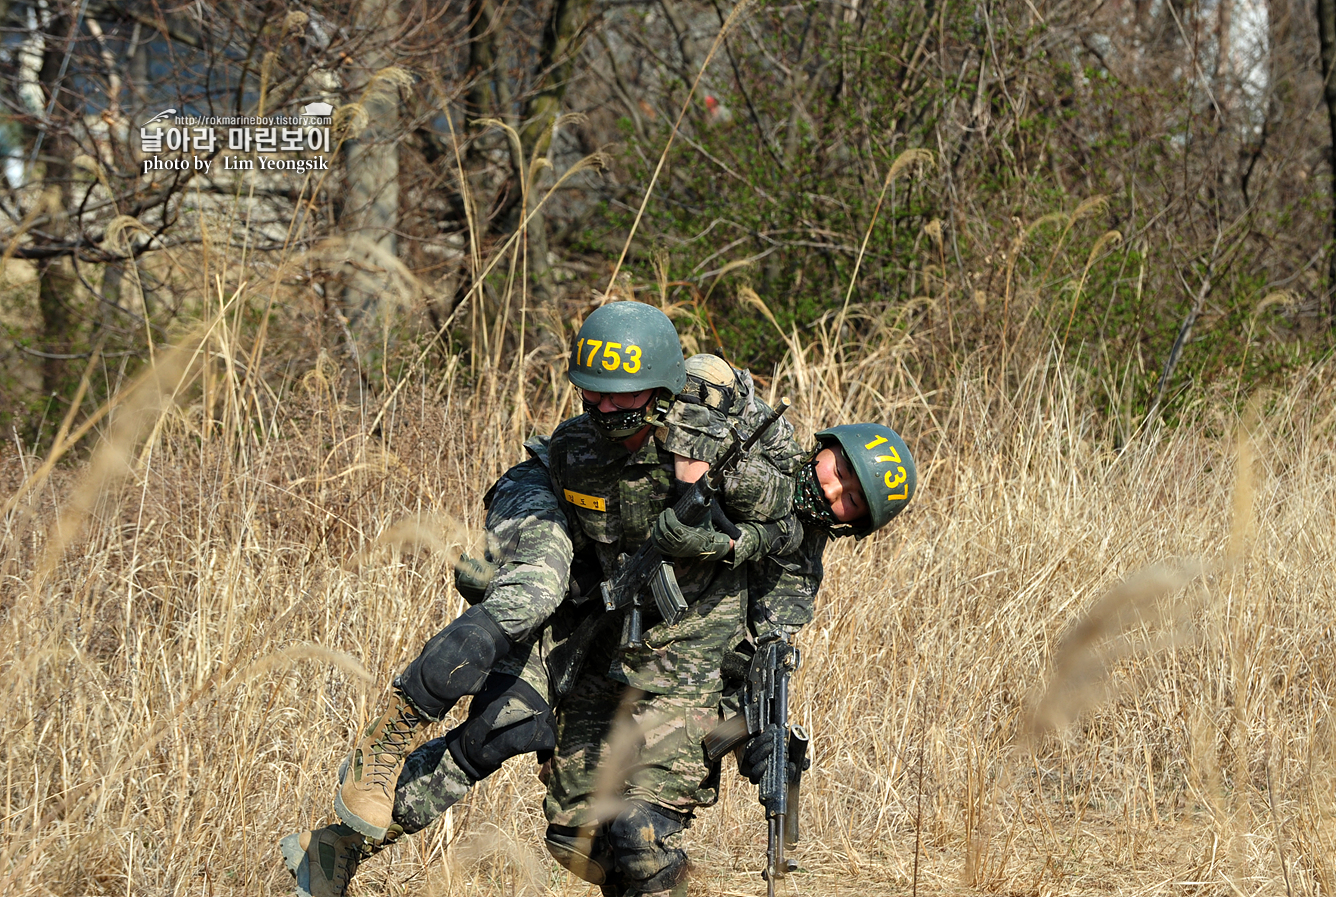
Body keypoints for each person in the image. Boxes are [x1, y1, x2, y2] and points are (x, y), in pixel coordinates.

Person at [280, 305, 799, 897]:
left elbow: (791, 526)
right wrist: (524, 549)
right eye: (591, 394)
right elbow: (533, 480)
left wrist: (723, 535)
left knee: (613, 841)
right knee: (503, 726)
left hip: (684, 655)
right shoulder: (576, 445)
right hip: (593, 626)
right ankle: (337, 843)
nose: (602, 409)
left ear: (661, 391)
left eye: (620, 398)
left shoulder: (711, 447)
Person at [537, 359, 917, 897]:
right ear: (827, 445)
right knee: (577, 840)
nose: (835, 492)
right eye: (843, 472)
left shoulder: (797, 563)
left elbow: (756, 657)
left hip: (688, 681)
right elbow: (699, 381)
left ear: (852, 524)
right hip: (607, 642)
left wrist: (753, 738)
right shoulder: (761, 442)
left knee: (639, 835)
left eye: (851, 501)